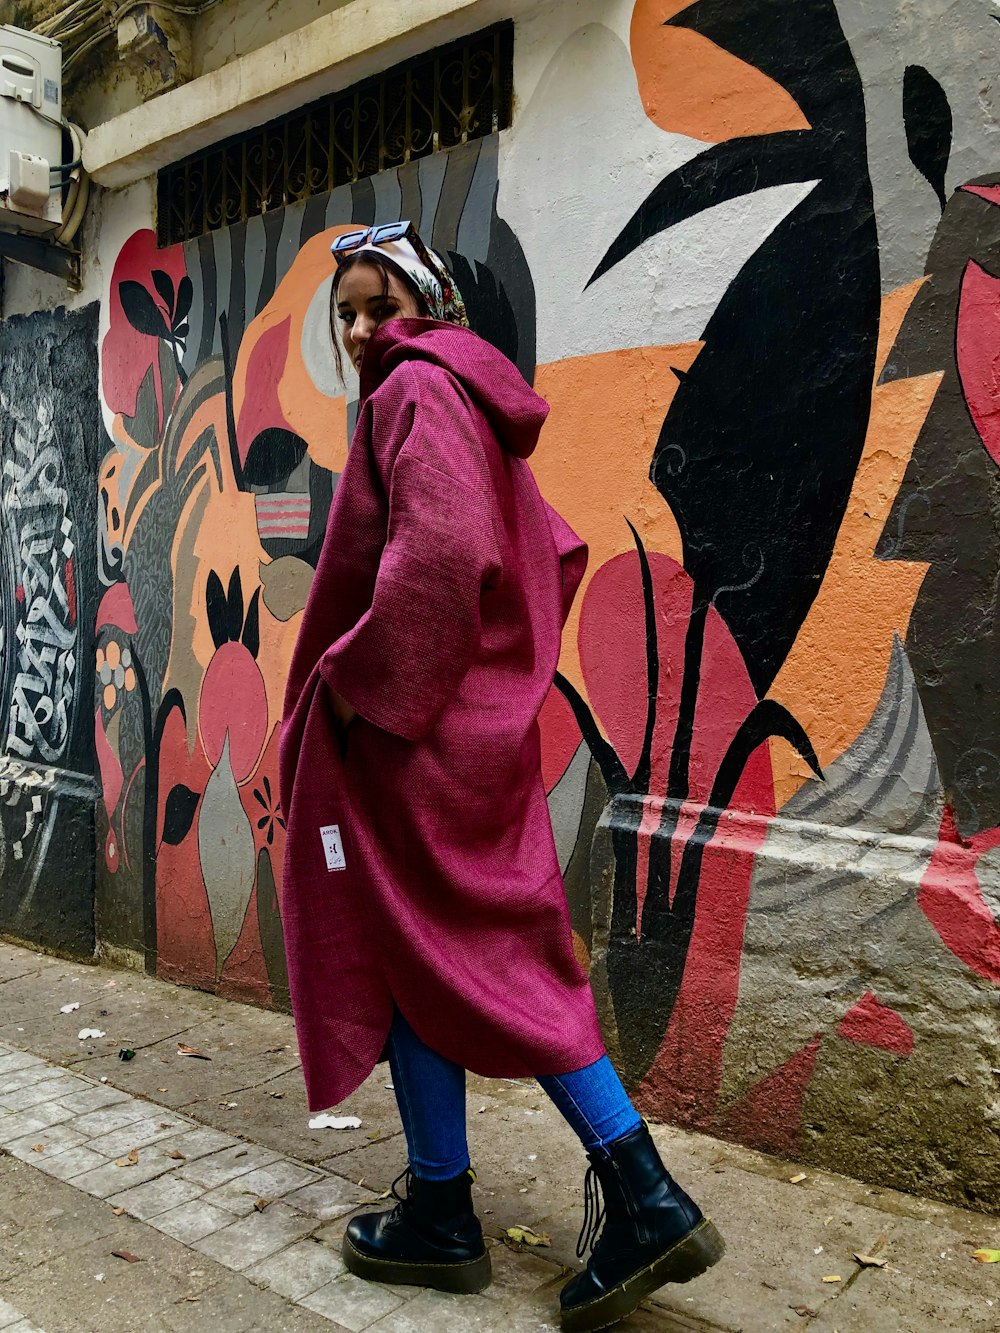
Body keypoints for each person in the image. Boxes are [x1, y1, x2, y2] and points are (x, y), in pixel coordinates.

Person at [278, 221, 724, 1332]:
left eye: (381, 304)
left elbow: (435, 560)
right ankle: (440, 1206)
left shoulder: (411, 394)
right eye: (348, 312)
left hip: (413, 741)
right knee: (422, 955)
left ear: (428, 307)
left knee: (493, 959)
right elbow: (538, 550)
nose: (362, 328)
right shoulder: (474, 400)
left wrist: (356, 688)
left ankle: (643, 1192)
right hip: (465, 733)